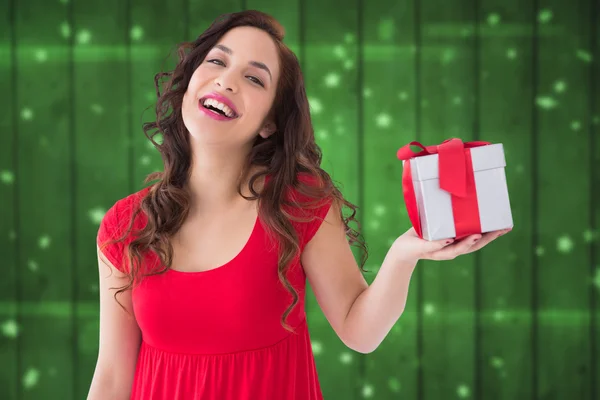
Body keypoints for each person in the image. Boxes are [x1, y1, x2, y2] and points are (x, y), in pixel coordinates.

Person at [87, 10, 510, 400]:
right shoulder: (125, 224)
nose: (227, 81)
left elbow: (360, 332)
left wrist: (404, 254)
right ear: (191, 80)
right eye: (217, 62)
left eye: (255, 78)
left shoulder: (296, 203)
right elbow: (111, 376)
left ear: (270, 122)